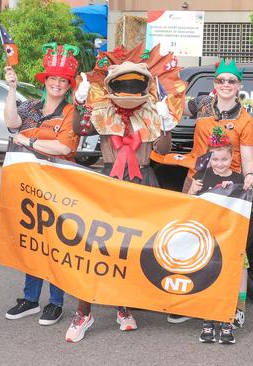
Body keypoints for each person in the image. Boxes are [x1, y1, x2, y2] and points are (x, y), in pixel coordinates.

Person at [68, 54, 178, 342]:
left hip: (141, 181)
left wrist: (166, 122)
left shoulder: (152, 112)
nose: (129, 89)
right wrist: (78, 104)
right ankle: (84, 312)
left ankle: (123, 307)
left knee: (130, 249)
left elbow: (163, 149)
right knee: (96, 246)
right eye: (124, 84)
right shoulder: (104, 111)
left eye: (134, 84)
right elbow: (79, 130)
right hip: (109, 181)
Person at [170, 58, 253, 327]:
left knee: (230, 247)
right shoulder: (202, 105)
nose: (226, 85)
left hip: (226, 188)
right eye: (221, 80)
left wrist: (250, 176)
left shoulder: (245, 120)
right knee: (189, 242)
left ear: (239, 85)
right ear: (215, 84)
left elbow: (247, 158)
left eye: (231, 81)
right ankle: (189, 301)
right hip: (195, 182)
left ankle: (236, 304)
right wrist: (170, 87)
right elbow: (173, 107)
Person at [3, 43, 80, 327]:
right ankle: (30, 298)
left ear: (68, 85)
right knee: (32, 241)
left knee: (57, 243)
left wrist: (30, 140)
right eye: (53, 79)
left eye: (63, 80)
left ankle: (56, 302)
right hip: (28, 186)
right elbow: (12, 123)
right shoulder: (31, 106)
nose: (57, 84)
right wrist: (11, 88)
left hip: (59, 186)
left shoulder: (72, 111)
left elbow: (64, 147)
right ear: (45, 81)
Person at [189, 127, 245, 345]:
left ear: (232, 157)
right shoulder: (202, 176)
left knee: (227, 279)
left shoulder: (238, 179)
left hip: (230, 238)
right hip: (207, 237)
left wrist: (241, 187)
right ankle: (208, 321)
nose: (220, 163)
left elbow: (244, 206)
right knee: (207, 277)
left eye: (224, 158)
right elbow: (188, 203)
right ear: (209, 157)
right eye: (216, 159)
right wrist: (193, 189)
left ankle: (226, 320)